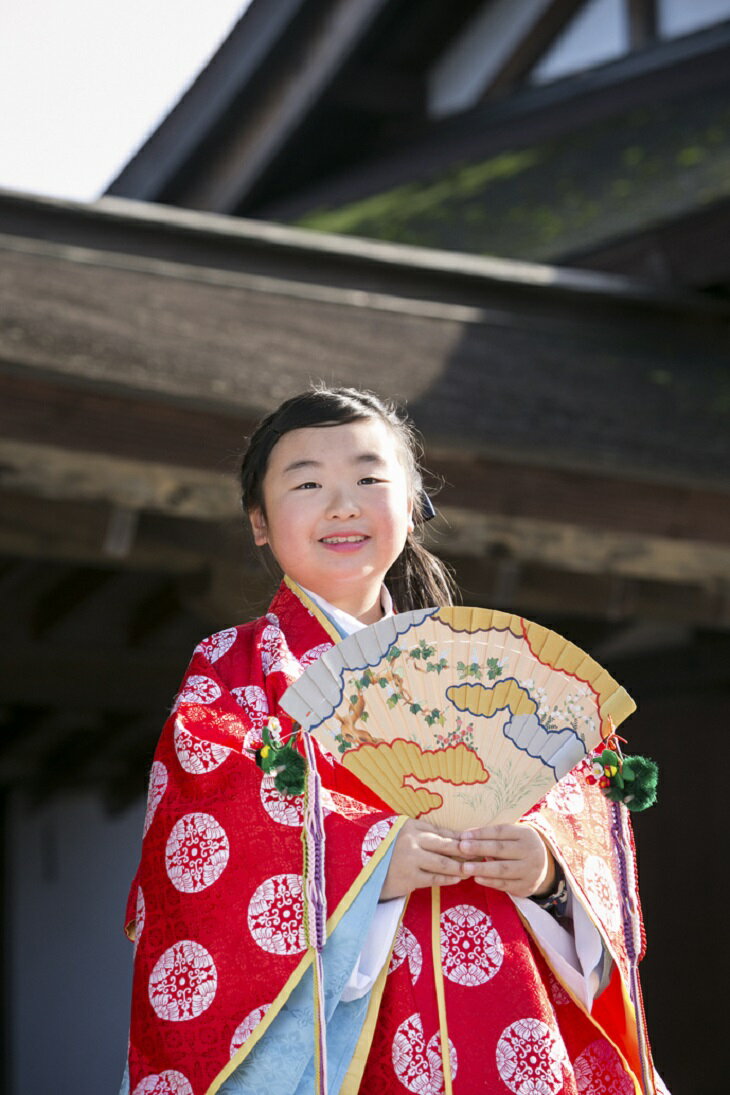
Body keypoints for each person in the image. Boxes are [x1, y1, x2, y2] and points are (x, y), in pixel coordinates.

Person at [122, 386, 664, 1095]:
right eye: (308, 482)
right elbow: (204, 820)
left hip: (507, 1012)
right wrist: (366, 859)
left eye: (370, 479)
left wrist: (552, 870)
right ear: (259, 521)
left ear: (411, 504)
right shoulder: (230, 673)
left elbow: (582, 800)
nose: (343, 504)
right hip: (350, 1034)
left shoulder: (489, 667)